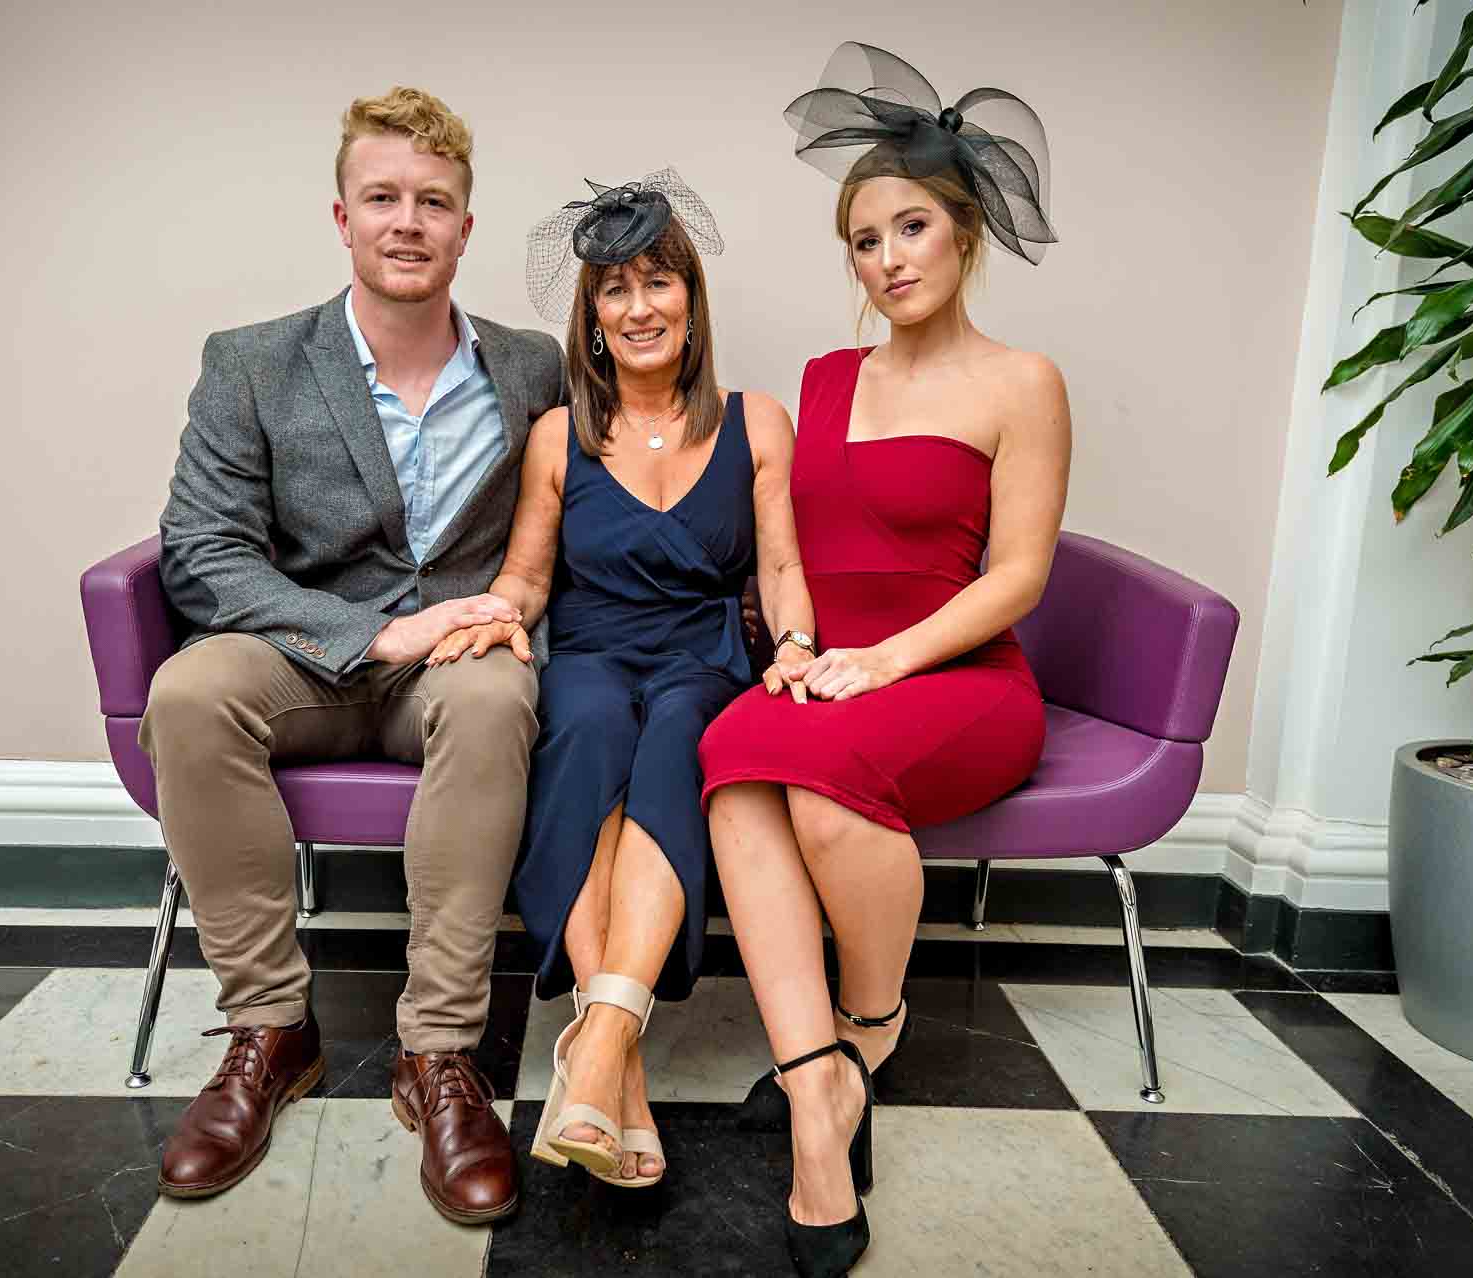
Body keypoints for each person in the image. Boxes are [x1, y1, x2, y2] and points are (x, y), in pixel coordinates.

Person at [140, 86, 564, 1224]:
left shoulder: (535, 371)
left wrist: (495, 619)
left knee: (491, 698)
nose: (408, 221)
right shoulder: (253, 362)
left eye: (434, 201)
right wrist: (374, 633)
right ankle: (271, 1030)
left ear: (467, 227)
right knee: (188, 691)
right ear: (342, 217)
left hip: (458, 669)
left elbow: (581, 522)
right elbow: (201, 553)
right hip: (307, 661)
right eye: (383, 197)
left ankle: (438, 1057)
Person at [697, 44, 1071, 1276]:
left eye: (912, 226)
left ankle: (872, 1024)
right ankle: (820, 1096)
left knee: (809, 779)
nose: (889, 257)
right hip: (834, 673)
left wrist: (882, 662)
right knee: (733, 753)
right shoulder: (825, 378)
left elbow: (1019, 576)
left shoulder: (1024, 382)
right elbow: (789, 543)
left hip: (958, 681)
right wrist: (803, 646)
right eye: (865, 239)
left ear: (964, 235)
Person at [425, 170, 813, 1188]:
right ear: (591, 319)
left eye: (659, 282)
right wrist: (491, 617)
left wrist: (799, 646)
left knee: (681, 734)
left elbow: (778, 568)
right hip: (592, 655)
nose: (639, 307)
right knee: (589, 728)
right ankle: (616, 1071)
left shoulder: (759, 421)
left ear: (691, 298)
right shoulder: (559, 436)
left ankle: (593, 1046)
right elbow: (527, 575)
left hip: (705, 658)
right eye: (614, 290)